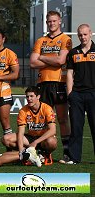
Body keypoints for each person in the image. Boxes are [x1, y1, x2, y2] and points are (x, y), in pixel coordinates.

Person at [30, 11, 72, 163]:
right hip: (43, 84)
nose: (51, 23)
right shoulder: (41, 40)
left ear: (60, 21)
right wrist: (51, 60)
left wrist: (42, 57)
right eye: (49, 21)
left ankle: (67, 152)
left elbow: (61, 61)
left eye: (54, 21)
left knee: (62, 119)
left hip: (59, 83)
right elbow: (32, 63)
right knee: (45, 120)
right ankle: (45, 151)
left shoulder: (65, 39)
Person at [2, 86, 57, 165]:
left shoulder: (47, 108)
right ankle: (28, 155)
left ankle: (45, 153)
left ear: (38, 97)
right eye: (27, 96)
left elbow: (53, 130)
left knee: (52, 142)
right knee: (6, 139)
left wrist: (36, 142)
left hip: (43, 139)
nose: (29, 99)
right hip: (30, 138)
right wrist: (21, 151)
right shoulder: (23, 111)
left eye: (31, 96)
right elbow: (21, 132)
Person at [65, 24, 95, 164]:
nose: (83, 37)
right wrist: (70, 94)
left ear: (91, 34)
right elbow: (70, 74)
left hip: (93, 94)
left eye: (85, 34)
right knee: (76, 127)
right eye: (80, 35)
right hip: (77, 94)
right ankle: (74, 158)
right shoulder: (73, 52)